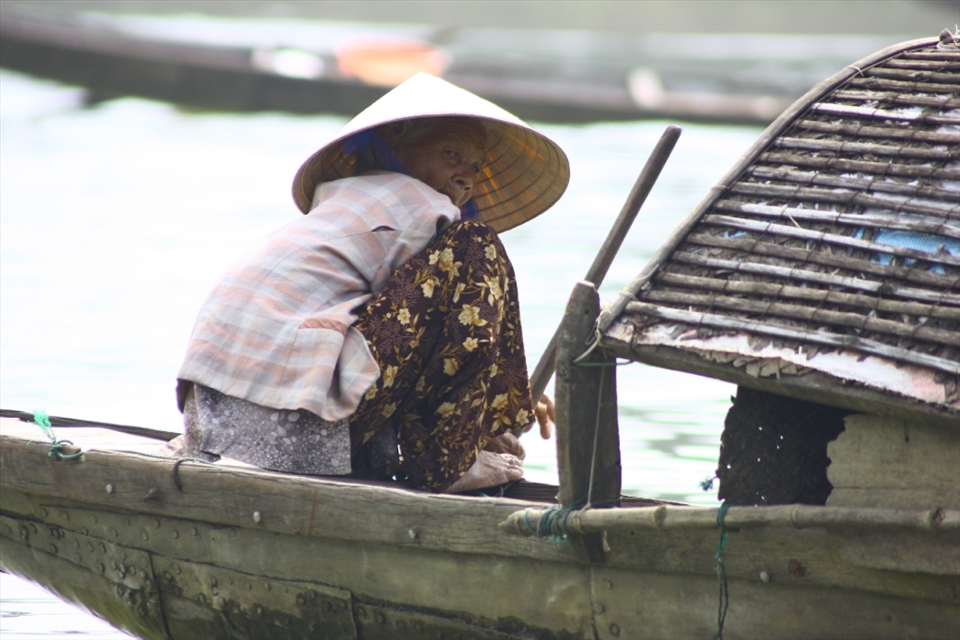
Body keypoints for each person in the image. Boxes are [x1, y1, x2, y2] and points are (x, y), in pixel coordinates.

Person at [163, 73, 569, 493]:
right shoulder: (422, 206)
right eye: (451, 153)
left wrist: (497, 399)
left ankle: (451, 448)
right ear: (396, 142)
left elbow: (423, 346)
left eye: (475, 167)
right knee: (477, 244)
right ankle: (447, 464)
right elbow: (458, 328)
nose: (466, 176)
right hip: (289, 430)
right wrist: (500, 403)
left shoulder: (342, 201)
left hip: (211, 427)